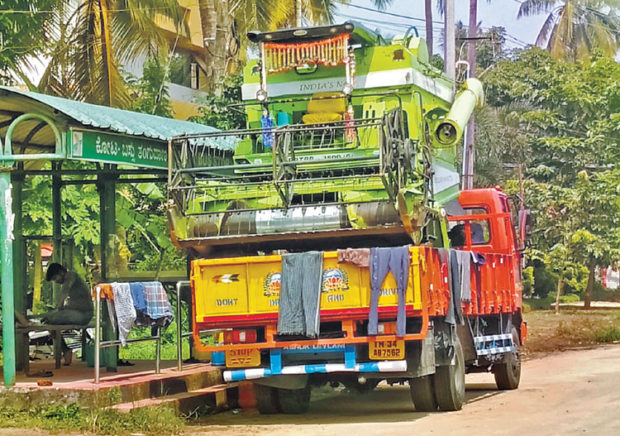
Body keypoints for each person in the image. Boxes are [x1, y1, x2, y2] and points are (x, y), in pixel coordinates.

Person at [44, 263, 94, 364]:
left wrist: (60, 306)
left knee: (51, 320)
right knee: (49, 321)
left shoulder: (71, 276)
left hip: (84, 314)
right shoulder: (70, 280)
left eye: (55, 278)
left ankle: (66, 351)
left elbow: (65, 290)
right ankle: (66, 349)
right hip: (76, 312)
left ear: (61, 272)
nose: (56, 282)